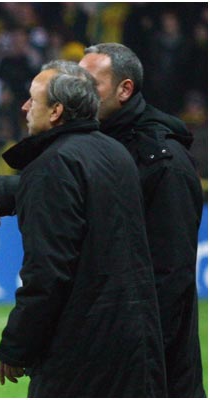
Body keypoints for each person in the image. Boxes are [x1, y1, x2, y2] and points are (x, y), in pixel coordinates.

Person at [0, 60, 167, 397]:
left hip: (81, 353)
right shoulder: (116, 153)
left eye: (33, 99)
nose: (25, 107)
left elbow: (47, 273)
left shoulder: (51, 166)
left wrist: (15, 346)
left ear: (56, 111)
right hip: (136, 341)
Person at [78, 42, 205, 397]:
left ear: (124, 90)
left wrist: (141, 354)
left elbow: (171, 274)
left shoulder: (164, 162)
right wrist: (11, 194)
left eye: (91, 84)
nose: (79, 93)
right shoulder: (97, 145)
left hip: (150, 365)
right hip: (106, 351)